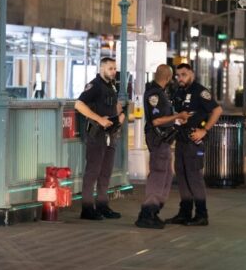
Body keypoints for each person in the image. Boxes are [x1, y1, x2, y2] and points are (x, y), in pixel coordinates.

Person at [135, 65, 191, 229]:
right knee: (159, 174)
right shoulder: (155, 94)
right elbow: (156, 121)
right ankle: (147, 213)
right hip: (158, 139)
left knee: (166, 174)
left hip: (164, 141)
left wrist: (176, 119)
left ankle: (154, 211)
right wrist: (178, 116)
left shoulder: (160, 93)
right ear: (168, 78)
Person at [167, 63, 222, 226]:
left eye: (183, 74)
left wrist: (204, 130)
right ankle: (184, 213)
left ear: (192, 73)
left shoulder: (200, 91)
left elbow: (217, 110)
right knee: (182, 177)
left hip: (193, 140)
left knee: (194, 178)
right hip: (181, 139)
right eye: (178, 75)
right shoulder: (179, 92)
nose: (180, 78)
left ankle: (201, 214)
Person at [74, 57, 126, 220]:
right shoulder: (95, 86)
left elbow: (113, 104)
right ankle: (87, 209)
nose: (114, 71)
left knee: (105, 173)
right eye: (110, 68)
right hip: (97, 134)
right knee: (93, 172)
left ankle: (103, 206)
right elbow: (79, 104)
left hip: (110, 134)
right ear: (101, 68)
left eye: (115, 68)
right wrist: (99, 119)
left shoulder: (110, 85)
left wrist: (119, 116)